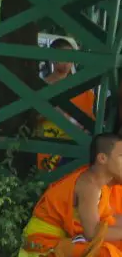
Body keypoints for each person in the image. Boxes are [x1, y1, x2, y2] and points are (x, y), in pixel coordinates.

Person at [38, 37, 97, 171]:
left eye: (71, 58)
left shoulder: (81, 89)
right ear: (52, 58)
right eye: (63, 57)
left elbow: (90, 117)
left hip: (75, 142)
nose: (67, 62)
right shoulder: (42, 87)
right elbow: (32, 116)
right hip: (50, 141)